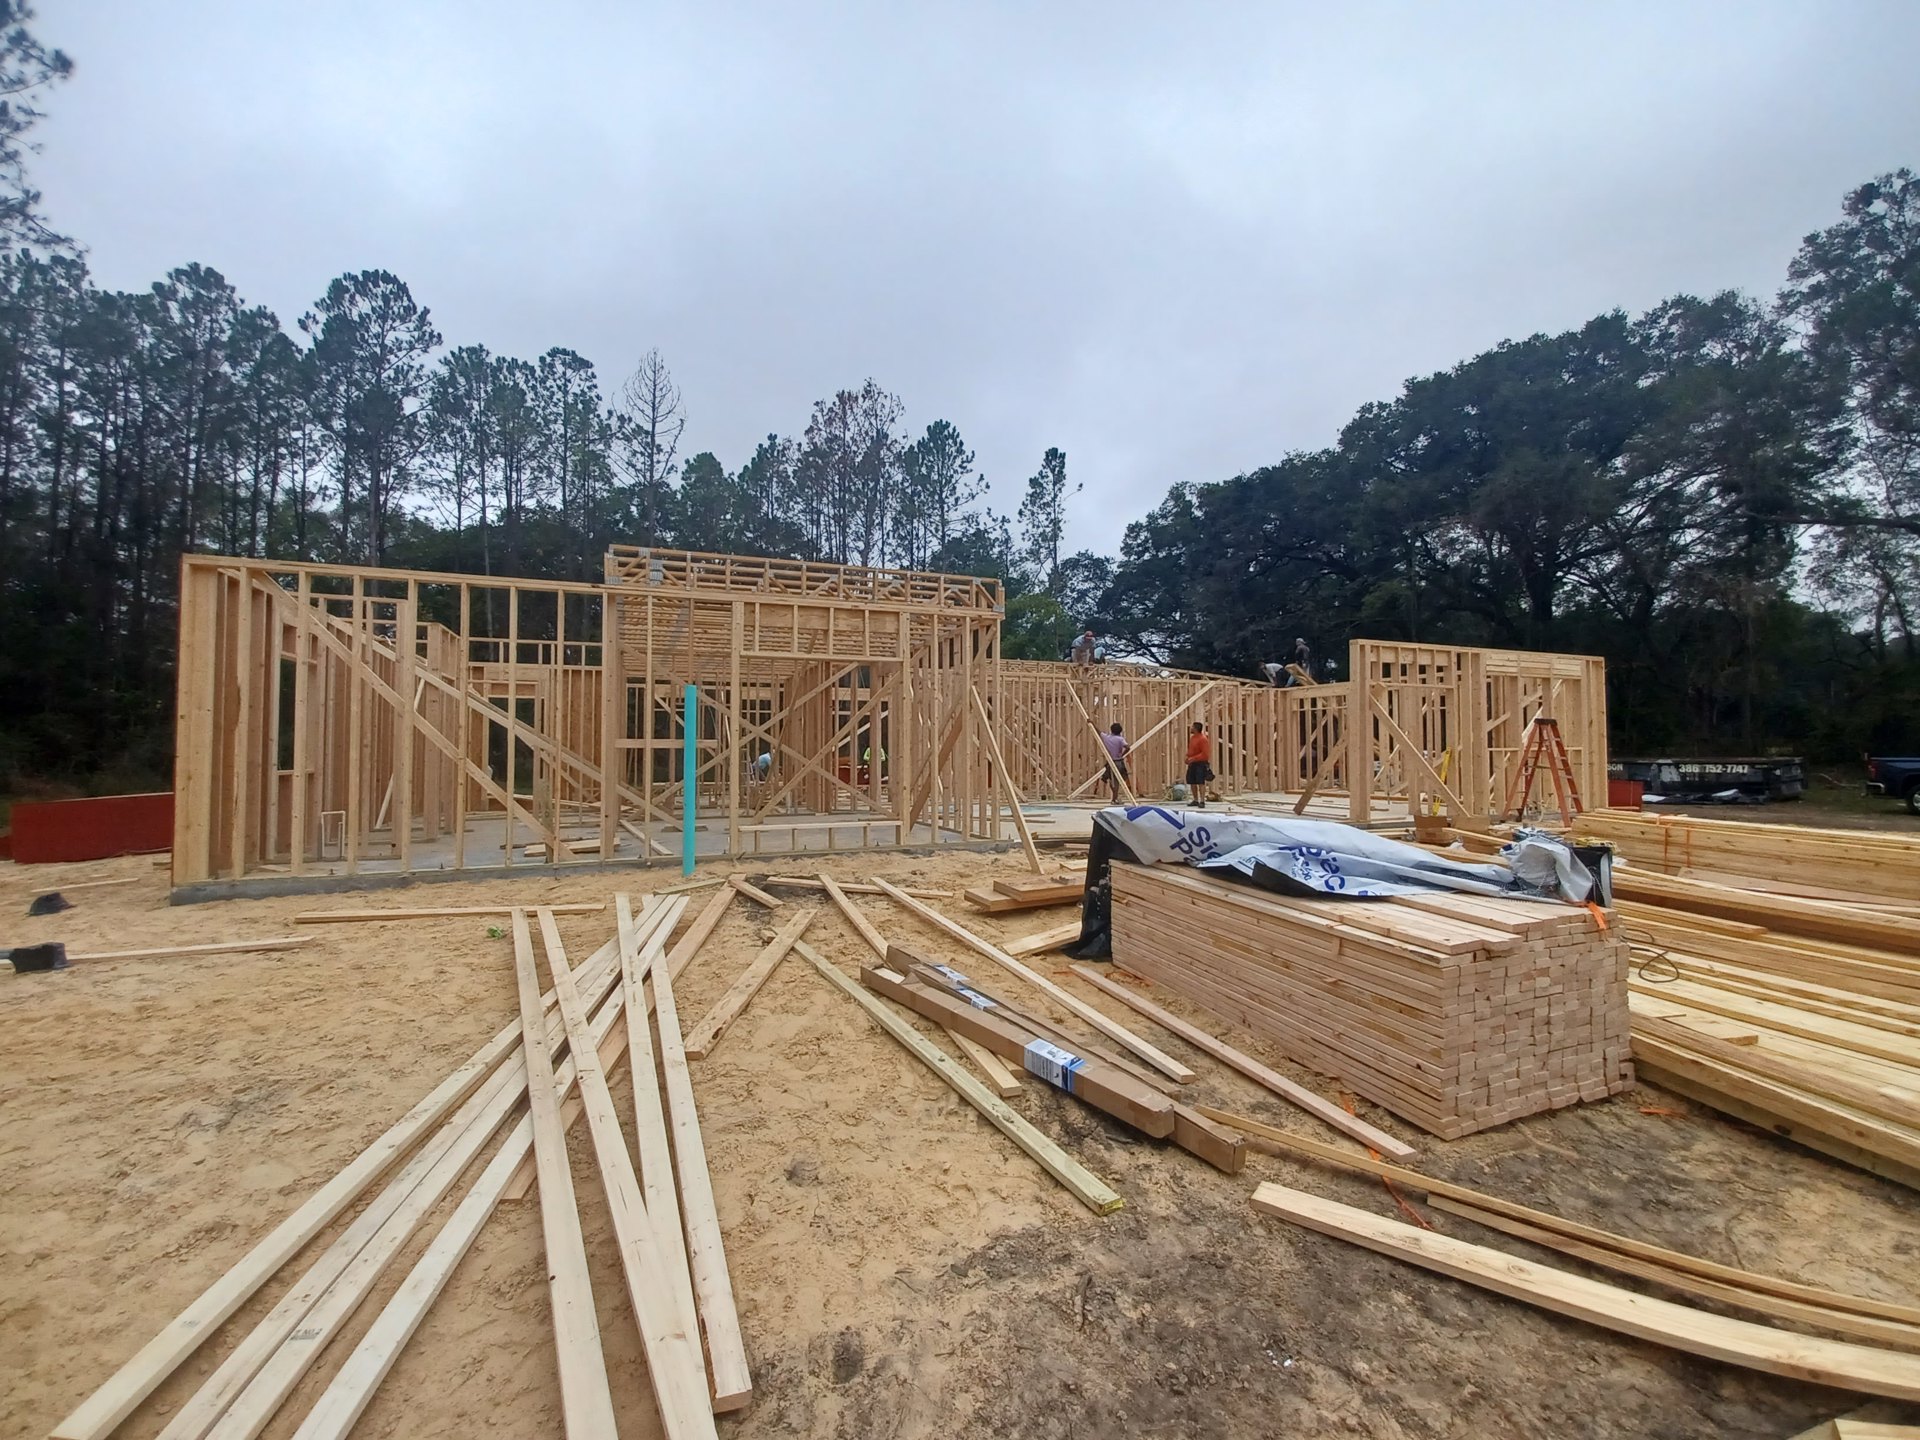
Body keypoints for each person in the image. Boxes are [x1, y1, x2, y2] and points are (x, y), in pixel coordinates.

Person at [1099, 721, 1131, 802]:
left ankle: (1114, 798)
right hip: (1118, 762)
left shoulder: (1107, 738)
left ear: (1111, 730)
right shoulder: (1120, 739)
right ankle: (1114, 799)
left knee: (1112, 780)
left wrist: (1091, 723)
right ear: (1120, 731)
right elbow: (1127, 747)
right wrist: (1122, 754)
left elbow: (1098, 732)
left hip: (1110, 762)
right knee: (1117, 780)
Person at [1185, 721, 1214, 808]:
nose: (1191, 728)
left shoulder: (1203, 739)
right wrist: (1187, 756)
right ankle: (1195, 800)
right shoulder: (1193, 738)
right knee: (1192, 782)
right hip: (1192, 764)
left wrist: (1193, 759)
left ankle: (1202, 801)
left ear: (1196, 729)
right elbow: (1191, 750)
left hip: (1200, 764)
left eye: (1192, 727)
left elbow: (1205, 754)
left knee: (1201, 782)